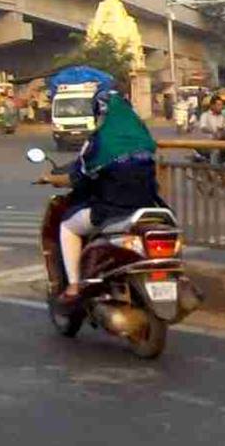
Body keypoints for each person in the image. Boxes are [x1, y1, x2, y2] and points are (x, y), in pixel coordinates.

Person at [44, 85, 166, 307]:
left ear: (100, 113)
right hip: (148, 207)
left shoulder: (98, 142)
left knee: (67, 227)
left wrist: (51, 179)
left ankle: (73, 286)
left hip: (112, 210)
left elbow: (78, 176)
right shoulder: (143, 137)